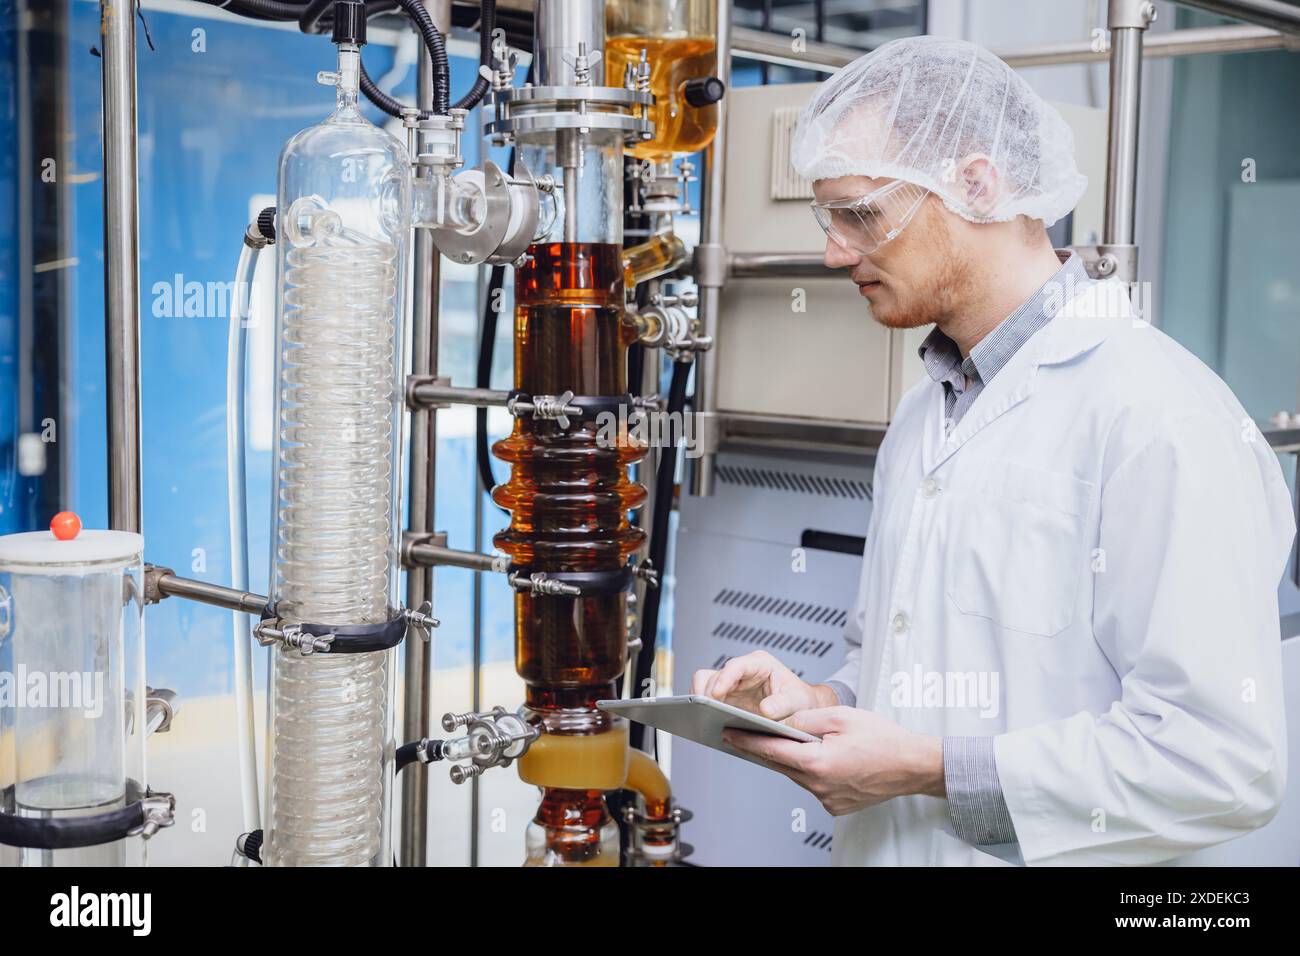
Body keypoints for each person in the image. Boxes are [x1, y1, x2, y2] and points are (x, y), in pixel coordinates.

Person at [691, 35, 1296, 866]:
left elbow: (1221, 763)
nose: (834, 251)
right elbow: (905, 666)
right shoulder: (924, 412)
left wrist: (932, 772)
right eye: (827, 217)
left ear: (977, 182)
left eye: (861, 213)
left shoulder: (1159, 418)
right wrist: (814, 701)